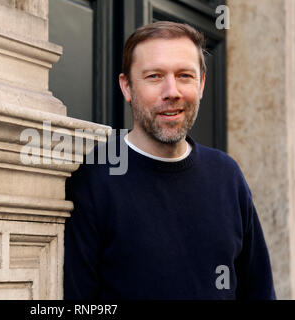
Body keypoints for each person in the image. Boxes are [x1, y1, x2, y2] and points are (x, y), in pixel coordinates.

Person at [63, 21, 276, 300]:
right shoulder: (95, 179)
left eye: (185, 75)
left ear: (201, 84)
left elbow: (259, 291)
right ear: (127, 87)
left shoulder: (227, 175)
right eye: (154, 76)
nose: (172, 91)